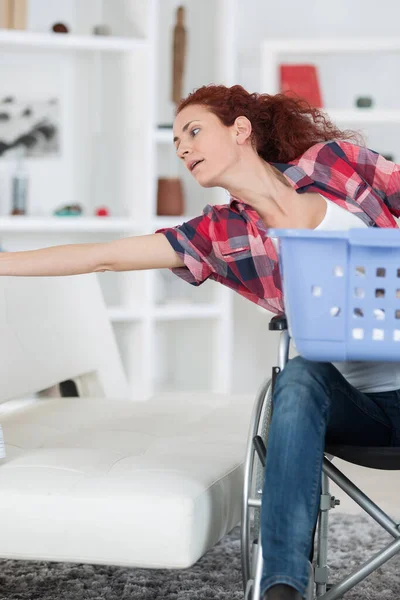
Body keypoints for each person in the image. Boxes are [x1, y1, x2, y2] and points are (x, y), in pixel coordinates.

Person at [1, 84, 400, 600]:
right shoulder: (221, 233)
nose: (184, 149)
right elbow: (105, 256)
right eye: (176, 144)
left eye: (193, 131)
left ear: (240, 130)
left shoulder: (334, 164)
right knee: (297, 377)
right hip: (358, 407)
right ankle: (282, 585)